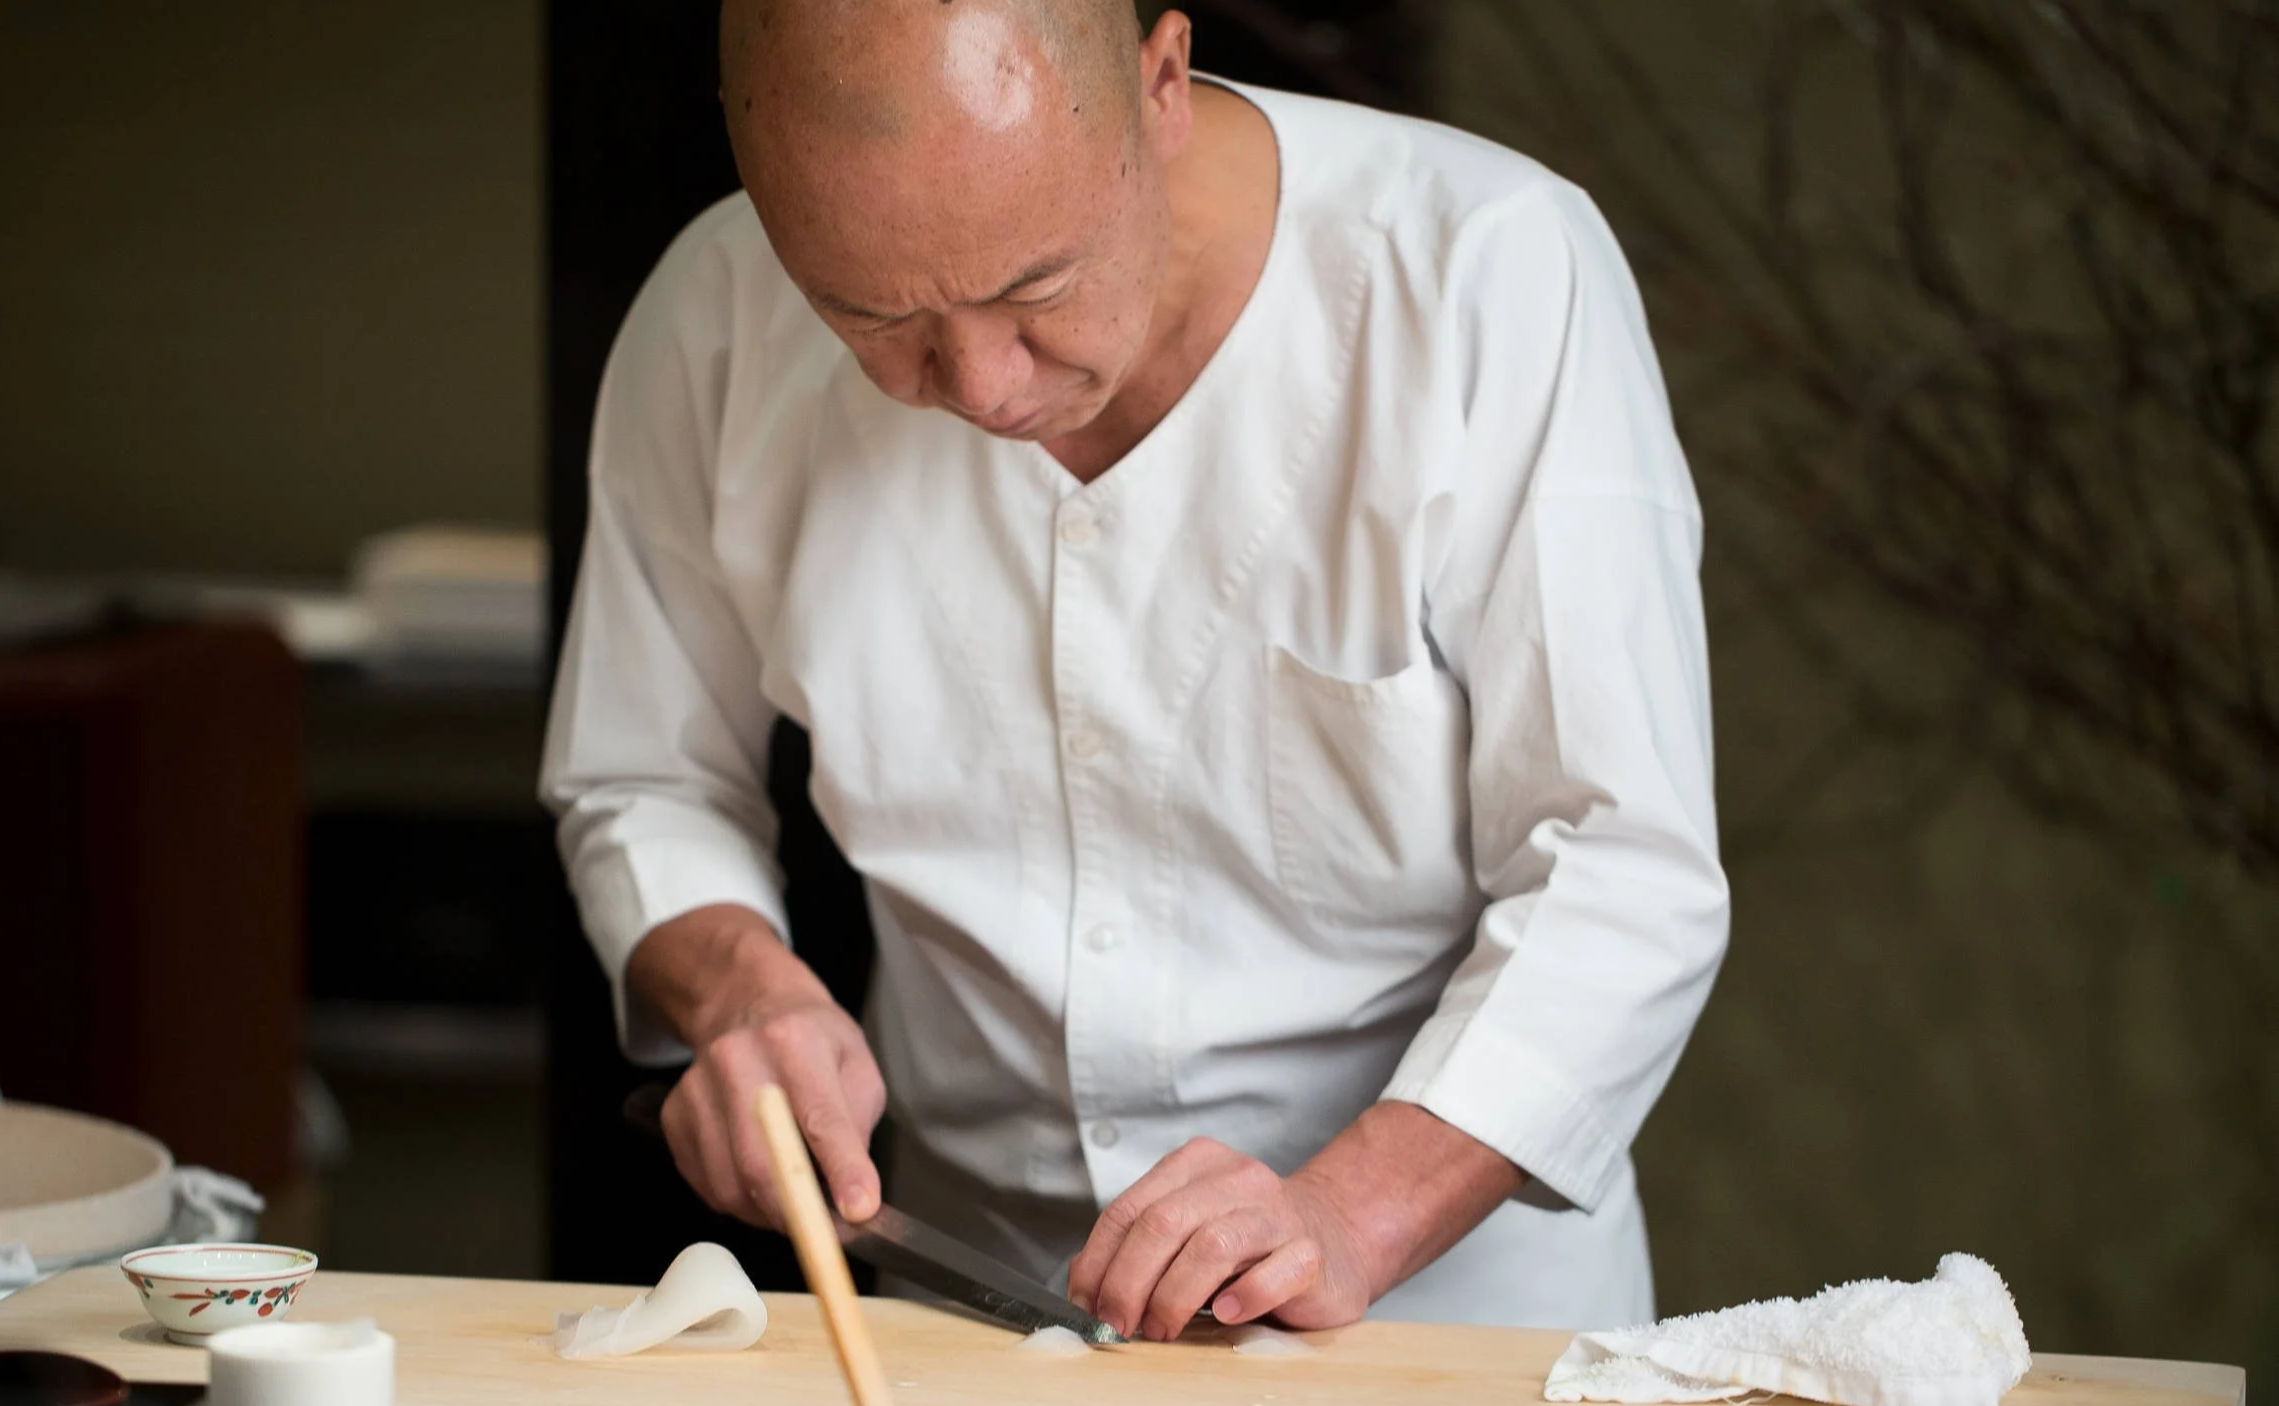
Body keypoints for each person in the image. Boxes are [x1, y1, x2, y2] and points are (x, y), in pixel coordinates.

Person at [541, 0, 1730, 1344]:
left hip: (1440, 1314)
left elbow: (1622, 865)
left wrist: (1350, 1211)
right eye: (874, 318)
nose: (983, 390)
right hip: (960, 1305)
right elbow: (642, 774)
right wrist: (739, 982)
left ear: (1161, 82)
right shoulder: (715, 319)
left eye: (1032, 289)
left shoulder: (1486, 273)